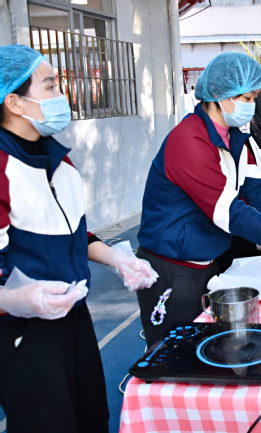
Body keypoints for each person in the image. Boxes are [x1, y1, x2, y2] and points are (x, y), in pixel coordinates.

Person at [0, 44, 158, 433]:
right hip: (23, 329)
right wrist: (17, 298)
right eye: (50, 86)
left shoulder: (59, 160)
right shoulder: (3, 168)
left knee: (91, 416)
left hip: (73, 314)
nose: (62, 95)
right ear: (14, 102)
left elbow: (74, 232)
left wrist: (118, 259)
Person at [136, 53, 261, 347]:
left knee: (212, 347)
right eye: (247, 99)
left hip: (208, 260)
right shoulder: (188, 140)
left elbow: (258, 190)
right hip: (173, 267)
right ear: (218, 95)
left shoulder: (233, 136)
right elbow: (229, 211)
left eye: (254, 99)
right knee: (175, 354)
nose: (251, 107)